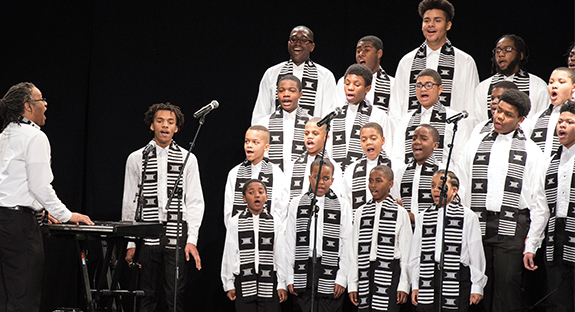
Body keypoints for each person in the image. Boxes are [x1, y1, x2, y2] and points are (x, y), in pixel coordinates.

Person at [0, 82, 94, 311]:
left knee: (6, 297)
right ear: (27, 106)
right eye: (41, 99)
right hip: (19, 226)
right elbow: (40, 185)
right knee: (24, 299)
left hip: (4, 221)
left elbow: (12, 184)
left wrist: (41, 208)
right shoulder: (34, 136)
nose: (46, 104)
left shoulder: (4, 134)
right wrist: (67, 215)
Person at [456, 89, 548, 312]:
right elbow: (462, 185)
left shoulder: (531, 151)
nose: (498, 117)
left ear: (521, 120)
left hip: (513, 225)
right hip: (477, 223)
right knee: (478, 286)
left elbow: (539, 203)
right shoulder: (475, 143)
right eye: (498, 110)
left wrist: (532, 244)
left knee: (507, 287)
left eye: (507, 114)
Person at [121, 103, 204, 312]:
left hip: (176, 232)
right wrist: (130, 241)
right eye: (160, 121)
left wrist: (192, 239)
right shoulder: (136, 158)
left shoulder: (188, 158)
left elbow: (194, 201)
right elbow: (129, 200)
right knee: (146, 294)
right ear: (151, 126)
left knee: (175, 294)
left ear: (176, 128)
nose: (165, 126)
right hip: (147, 232)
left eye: (170, 122)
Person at [388, 0, 479, 126]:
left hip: (451, 138)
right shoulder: (407, 61)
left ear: (448, 25)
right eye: (426, 21)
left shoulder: (465, 62)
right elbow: (396, 109)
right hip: (413, 137)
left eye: (437, 20)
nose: (431, 25)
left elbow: (470, 109)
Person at [409, 170, 486, 311]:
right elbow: (416, 254)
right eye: (432, 186)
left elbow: (476, 253)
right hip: (429, 276)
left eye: (441, 186)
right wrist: (415, 284)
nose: (435, 190)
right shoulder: (423, 217)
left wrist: (477, 286)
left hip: (457, 277)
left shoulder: (468, 216)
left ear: (454, 190)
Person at [283, 158, 352, 312]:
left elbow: (347, 243)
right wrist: (290, 276)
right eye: (317, 177)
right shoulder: (297, 203)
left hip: (330, 268)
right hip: (304, 268)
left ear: (332, 180)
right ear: (309, 178)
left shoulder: (342, 205)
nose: (321, 182)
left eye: (326, 178)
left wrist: (342, 277)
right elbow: (290, 242)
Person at [529, 100, 575, 311]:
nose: (562, 126)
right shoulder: (549, 163)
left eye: (569, 122)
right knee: (559, 303)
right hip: (556, 242)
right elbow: (541, 208)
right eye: (560, 121)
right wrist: (531, 246)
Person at [348, 165, 412, 311]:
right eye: (370, 181)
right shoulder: (361, 212)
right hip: (365, 272)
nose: (373, 185)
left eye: (378, 181)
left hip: (390, 272)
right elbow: (353, 251)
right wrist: (352, 283)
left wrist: (404, 284)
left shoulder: (400, 213)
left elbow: (406, 252)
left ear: (390, 184)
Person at [221, 179, 288, 312]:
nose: (256, 195)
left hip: (269, 280)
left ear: (266, 197)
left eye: (260, 192)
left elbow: (280, 254)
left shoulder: (275, 222)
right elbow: (229, 253)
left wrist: (282, 283)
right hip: (244, 280)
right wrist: (228, 283)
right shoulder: (235, 222)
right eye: (251, 192)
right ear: (244, 198)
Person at [251, 26, 337, 124]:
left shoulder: (325, 76)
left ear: (312, 47)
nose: (298, 43)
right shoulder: (272, 73)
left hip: (310, 136)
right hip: (275, 134)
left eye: (304, 40)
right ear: (288, 44)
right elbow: (261, 111)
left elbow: (328, 113)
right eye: (294, 39)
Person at [391, 69, 469, 167]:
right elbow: (397, 157)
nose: (423, 89)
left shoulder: (454, 119)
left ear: (440, 89)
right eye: (419, 85)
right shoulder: (406, 120)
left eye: (428, 85)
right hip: (410, 178)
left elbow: (460, 159)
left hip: (442, 179)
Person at [328, 64, 392, 171]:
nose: (350, 88)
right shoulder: (334, 114)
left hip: (368, 173)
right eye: (347, 83)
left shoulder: (378, 115)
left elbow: (386, 149)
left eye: (356, 85)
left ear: (367, 89)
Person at [223, 125, 287, 228]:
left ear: (266, 147)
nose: (249, 145)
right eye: (247, 141)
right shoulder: (234, 173)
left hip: (269, 233)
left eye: (255, 142)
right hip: (240, 233)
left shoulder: (276, 173)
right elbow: (229, 209)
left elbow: (281, 208)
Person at [474, 34, 548, 121]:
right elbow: (478, 121)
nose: (501, 54)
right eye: (498, 51)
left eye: (508, 49)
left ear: (521, 55)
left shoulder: (538, 85)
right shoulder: (483, 87)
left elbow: (543, 119)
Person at [255, 75, 310, 172]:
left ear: (300, 94)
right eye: (281, 91)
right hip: (272, 178)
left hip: (301, 177)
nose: (286, 94)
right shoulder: (264, 123)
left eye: (292, 91)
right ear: (277, 94)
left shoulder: (310, 123)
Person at [392, 124, 440, 223]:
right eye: (414, 138)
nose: (417, 142)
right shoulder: (401, 172)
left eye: (424, 139)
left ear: (435, 145)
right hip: (407, 231)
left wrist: (416, 219)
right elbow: (396, 201)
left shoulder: (442, 171)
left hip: (433, 229)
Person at [285, 118, 343, 200]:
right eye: (306, 133)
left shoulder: (333, 167)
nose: (310, 137)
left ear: (326, 137)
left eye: (315, 133)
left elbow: (335, 196)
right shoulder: (292, 166)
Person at [524, 67, 575, 159]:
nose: (554, 85)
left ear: (573, 87)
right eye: (551, 82)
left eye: (561, 82)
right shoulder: (537, 118)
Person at [335, 35, 395, 113]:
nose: (361, 54)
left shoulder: (392, 84)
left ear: (379, 53)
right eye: (358, 51)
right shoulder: (344, 82)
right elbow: (337, 111)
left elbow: (395, 117)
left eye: (366, 50)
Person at [342, 122, 392, 212]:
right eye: (364, 140)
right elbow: (347, 202)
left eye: (373, 138)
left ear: (383, 140)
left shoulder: (395, 167)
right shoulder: (351, 170)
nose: (368, 142)